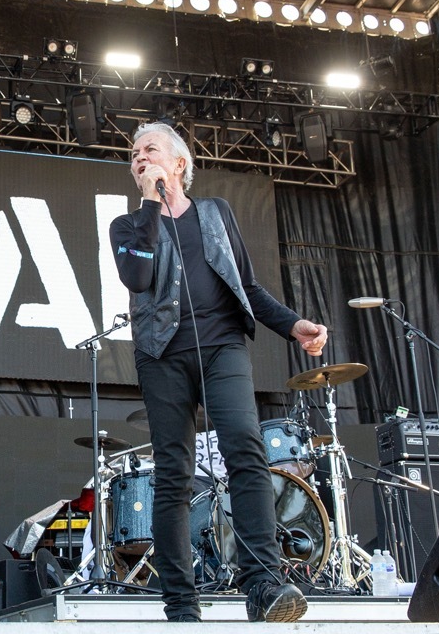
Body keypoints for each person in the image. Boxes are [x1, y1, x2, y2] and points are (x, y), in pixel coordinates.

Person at [108, 122, 327, 623]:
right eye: (134, 154)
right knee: (174, 476)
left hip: (223, 347)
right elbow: (137, 277)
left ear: (180, 164)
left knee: (245, 451)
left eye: (151, 150)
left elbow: (246, 285)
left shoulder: (215, 213)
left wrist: (294, 325)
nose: (139, 157)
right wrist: (149, 205)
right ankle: (181, 604)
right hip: (162, 354)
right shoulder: (128, 225)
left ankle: (263, 586)